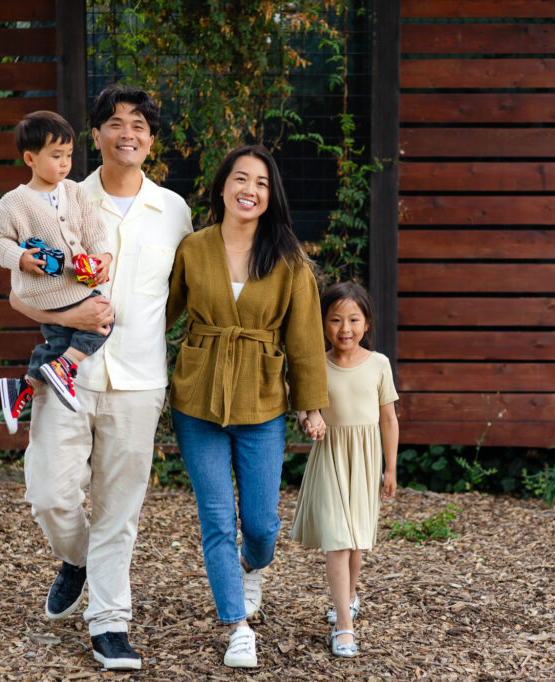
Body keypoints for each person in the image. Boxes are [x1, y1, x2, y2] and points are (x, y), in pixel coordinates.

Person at [8, 85, 193, 671]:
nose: (128, 133)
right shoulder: (56, 198)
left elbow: (180, 298)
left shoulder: (176, 212)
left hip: (141, 379)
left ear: (151, 139)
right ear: (95, 137)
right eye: (115, 123)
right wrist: (71, 317)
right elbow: (21, 297)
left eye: (139, 124)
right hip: (71, 371)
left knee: (121, 508)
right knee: (49, 493)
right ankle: (80, 557)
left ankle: (110, 623)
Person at [166, 144, 329, 668]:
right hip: (197, 397)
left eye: (260, 183)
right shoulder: (193, 248)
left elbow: (303, 340)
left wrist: (311, 405)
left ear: (270, 195)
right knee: (216, 517)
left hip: (261, 403)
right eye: (240, 179)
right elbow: (157, 314)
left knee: (260, 525)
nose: (249, 190)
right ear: (221, 187)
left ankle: (252, 567)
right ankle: (236, 627)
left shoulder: (287, 260)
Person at [289, 281, 400, 658]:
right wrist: (312, 416)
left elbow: (389, 419)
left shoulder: (379, 364)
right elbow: (305, 402)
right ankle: (344, 626)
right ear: (322, 324)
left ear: (366, 323)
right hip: (332, 456)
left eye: (353, 319)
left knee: (355, 540)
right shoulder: (316, 364)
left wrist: (390, 469)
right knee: (337, 540)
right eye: (335, 319)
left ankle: (350, 596)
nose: (344, 329)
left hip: (367, 459)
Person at [0, 111, 113, 435]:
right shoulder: (13, 202)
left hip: (77, 282)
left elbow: (93, 229)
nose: (65, 163)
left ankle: (24, 385)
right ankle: (65, 366)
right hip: (48, 289)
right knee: (103, 319)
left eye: (68, 155)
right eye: (56, 156)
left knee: (58, 340)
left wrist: (103, 257)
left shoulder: (73, 192)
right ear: (30, 158)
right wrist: (20, 257)